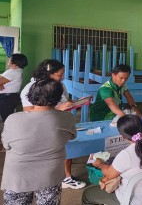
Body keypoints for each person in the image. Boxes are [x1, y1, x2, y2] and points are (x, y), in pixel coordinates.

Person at [1, 79, 76, 205]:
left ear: (31, 94)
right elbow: (72, 136)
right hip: (50, 175)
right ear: (58, 98)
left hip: (18, 176)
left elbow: (6, 145)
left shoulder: (13, 119)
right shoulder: (67, 118)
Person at [20, 59, 85, 189]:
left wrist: (74, 103)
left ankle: (67, 177)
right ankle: (45, 181)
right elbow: (29, 112)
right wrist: (59, 108)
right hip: (41, 128)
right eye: (60, 75)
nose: (62, 78)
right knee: (47, 158)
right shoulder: (31, 88)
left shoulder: (60, 85)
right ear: (49, 74)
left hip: (60, 123)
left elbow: (65, 100)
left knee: (66, 150)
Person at [82, 115, 142, 205]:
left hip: (132, 200)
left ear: (122, 137)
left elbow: (109, 174)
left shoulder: (126, 154)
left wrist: (100, 164)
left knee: (87, 195)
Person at [0, 53, 28, 122]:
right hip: (10, 97)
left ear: (15, 64)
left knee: (7, 119)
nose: (8, 60)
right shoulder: (17, 71)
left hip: (7, 99)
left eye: (10, 59)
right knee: (8, 117)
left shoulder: (13, 72)